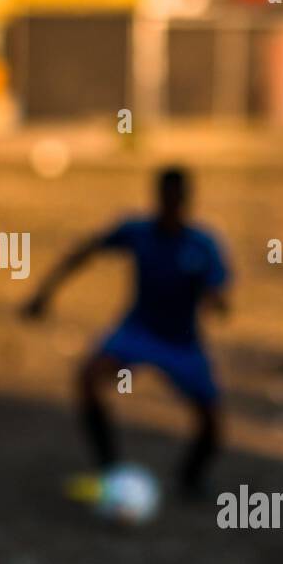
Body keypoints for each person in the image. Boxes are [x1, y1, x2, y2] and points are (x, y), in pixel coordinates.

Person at [23, 166, 230, 497]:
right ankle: (109, 469)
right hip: (138, 331)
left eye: (176, 199)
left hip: (181, 341)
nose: (170, 205)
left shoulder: (203, 245)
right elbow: (85, 250)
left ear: (187, 201)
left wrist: (215, 298)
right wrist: (44, 293)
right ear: (157, 197)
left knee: (211, 422)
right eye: (165, 197)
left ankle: (191, 478)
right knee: (89, 379)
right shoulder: (139, 232)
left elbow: (221, 297)